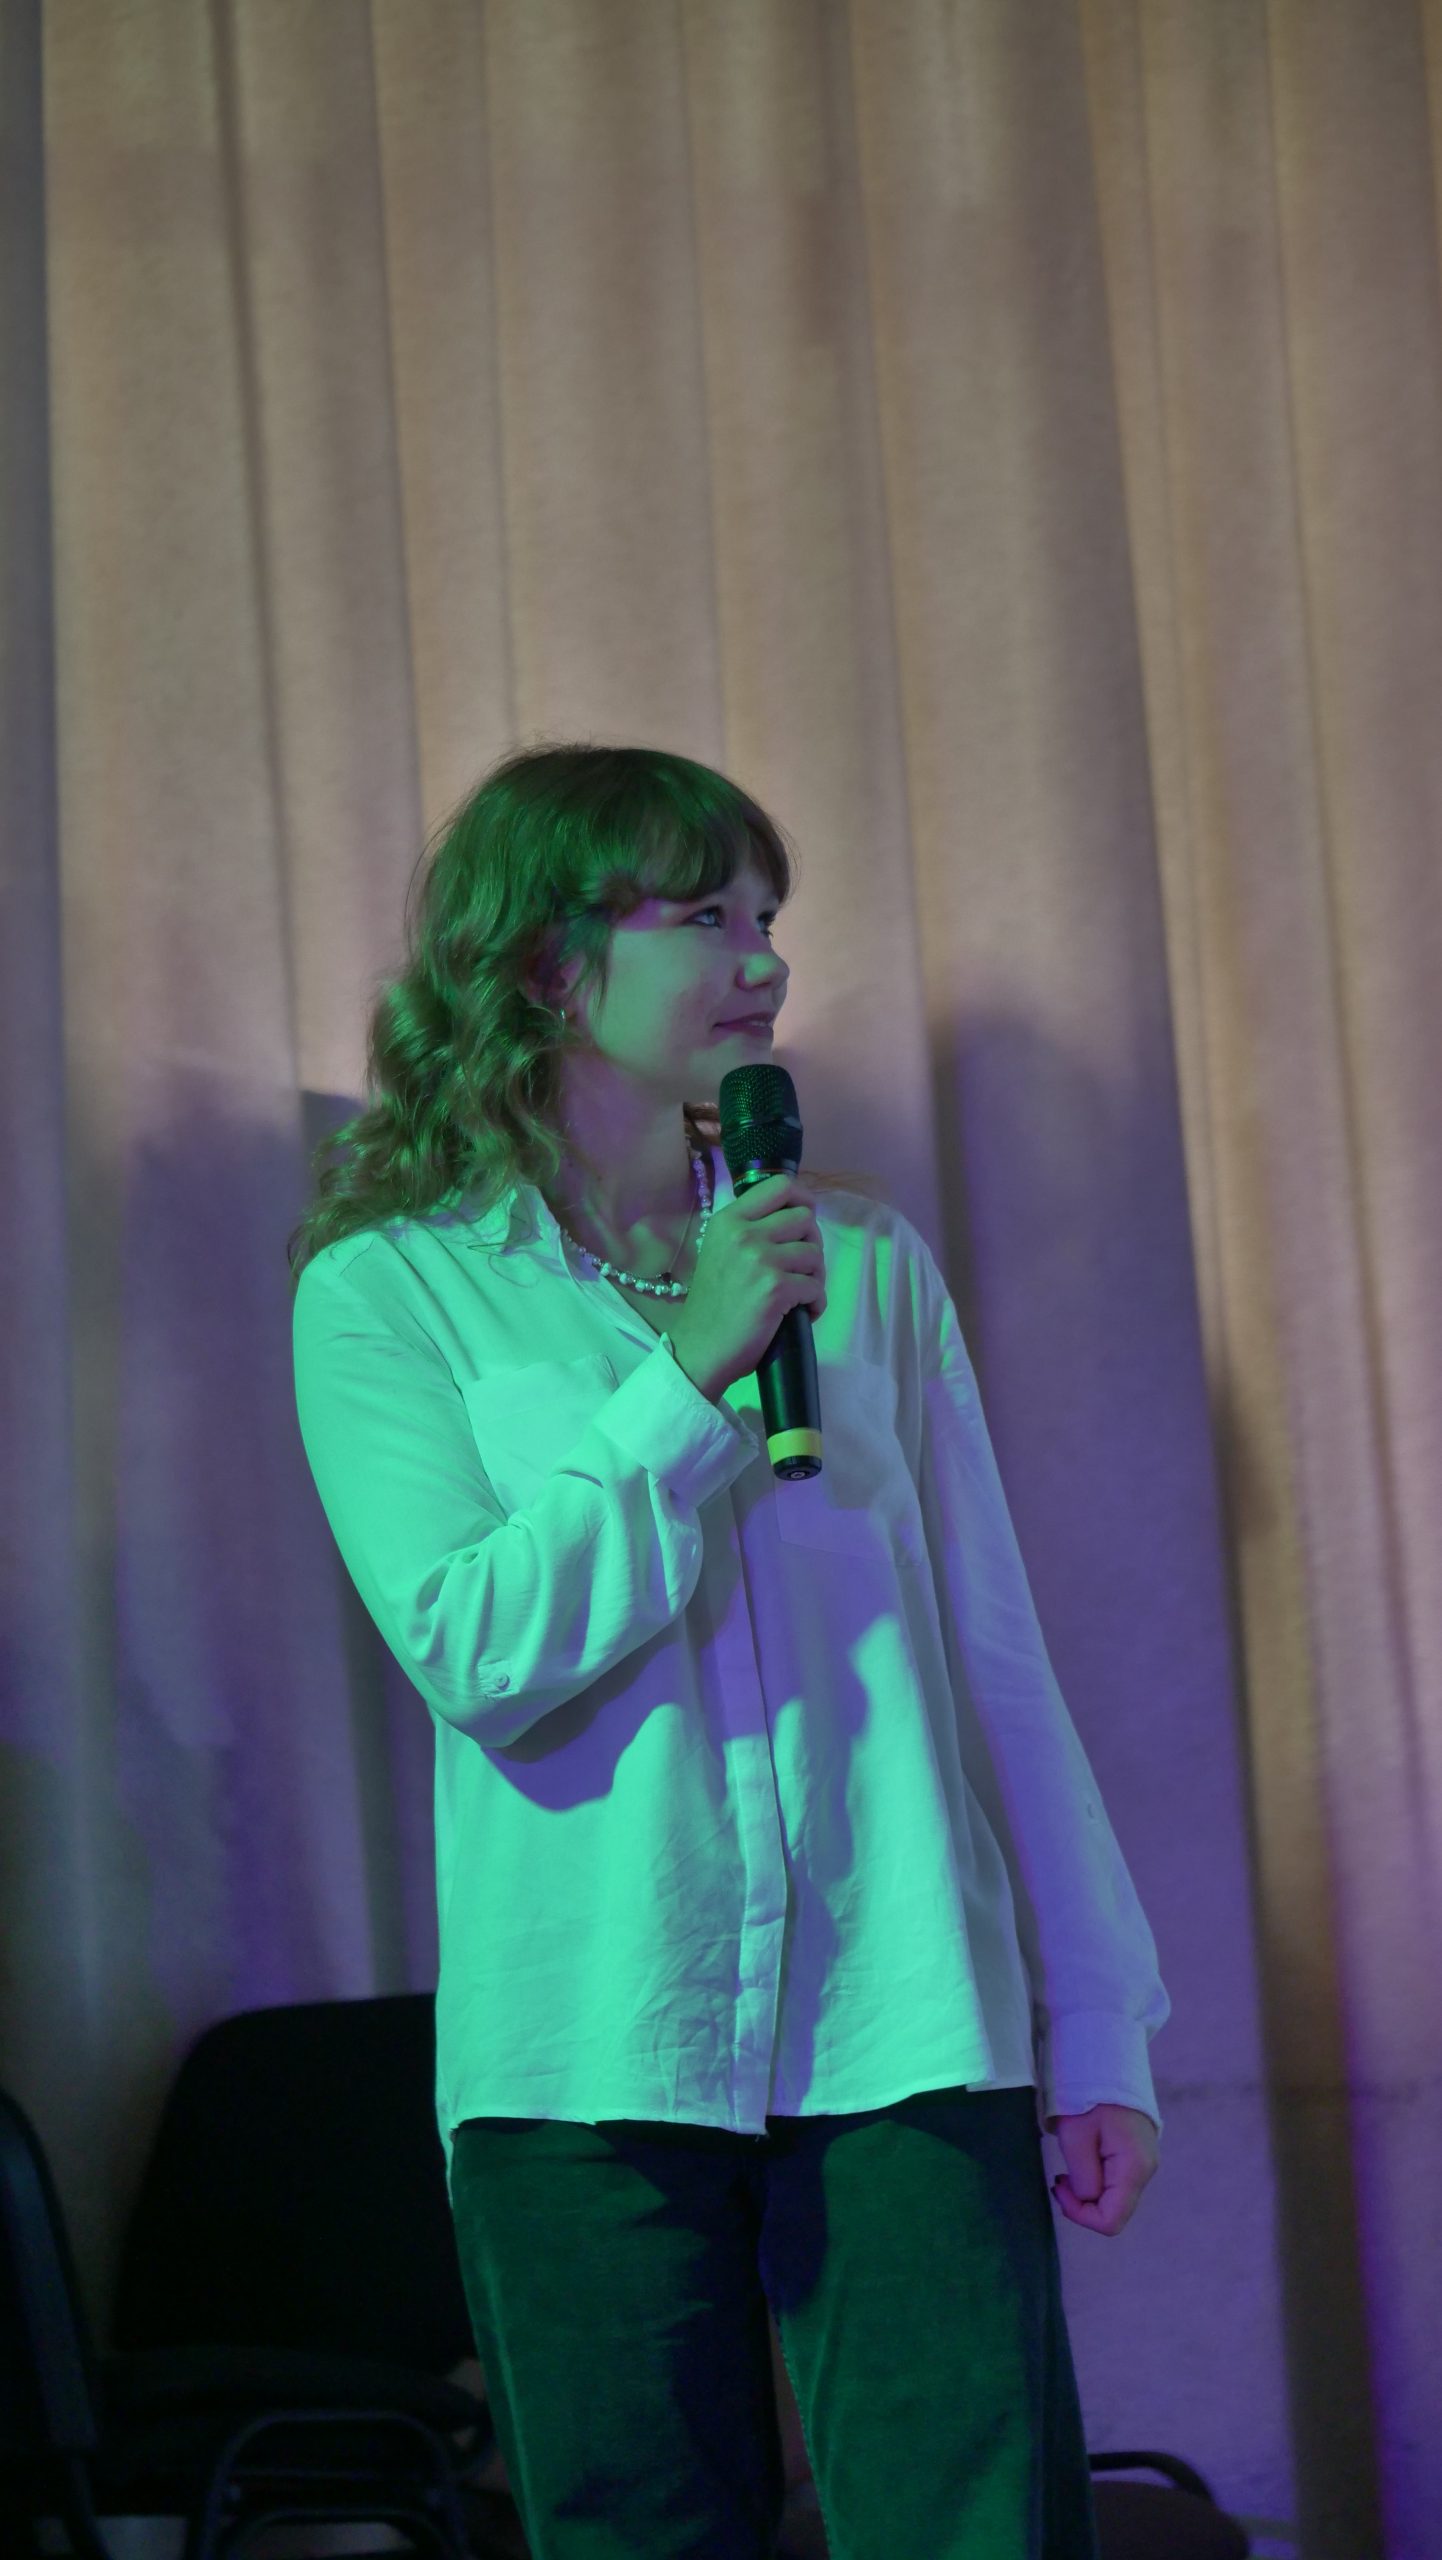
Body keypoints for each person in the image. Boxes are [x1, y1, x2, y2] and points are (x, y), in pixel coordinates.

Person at [290, 741, 1170, 2560]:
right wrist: (687, 1376)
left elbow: (996, 1668)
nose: (765, 962)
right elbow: (474, 1646)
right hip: (587, 2047)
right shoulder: (390, 1290)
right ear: (548, 964)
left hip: (902, 2018)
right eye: (704, 917)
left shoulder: (863, 1262)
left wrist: (1097, 2024)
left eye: (769, 917)